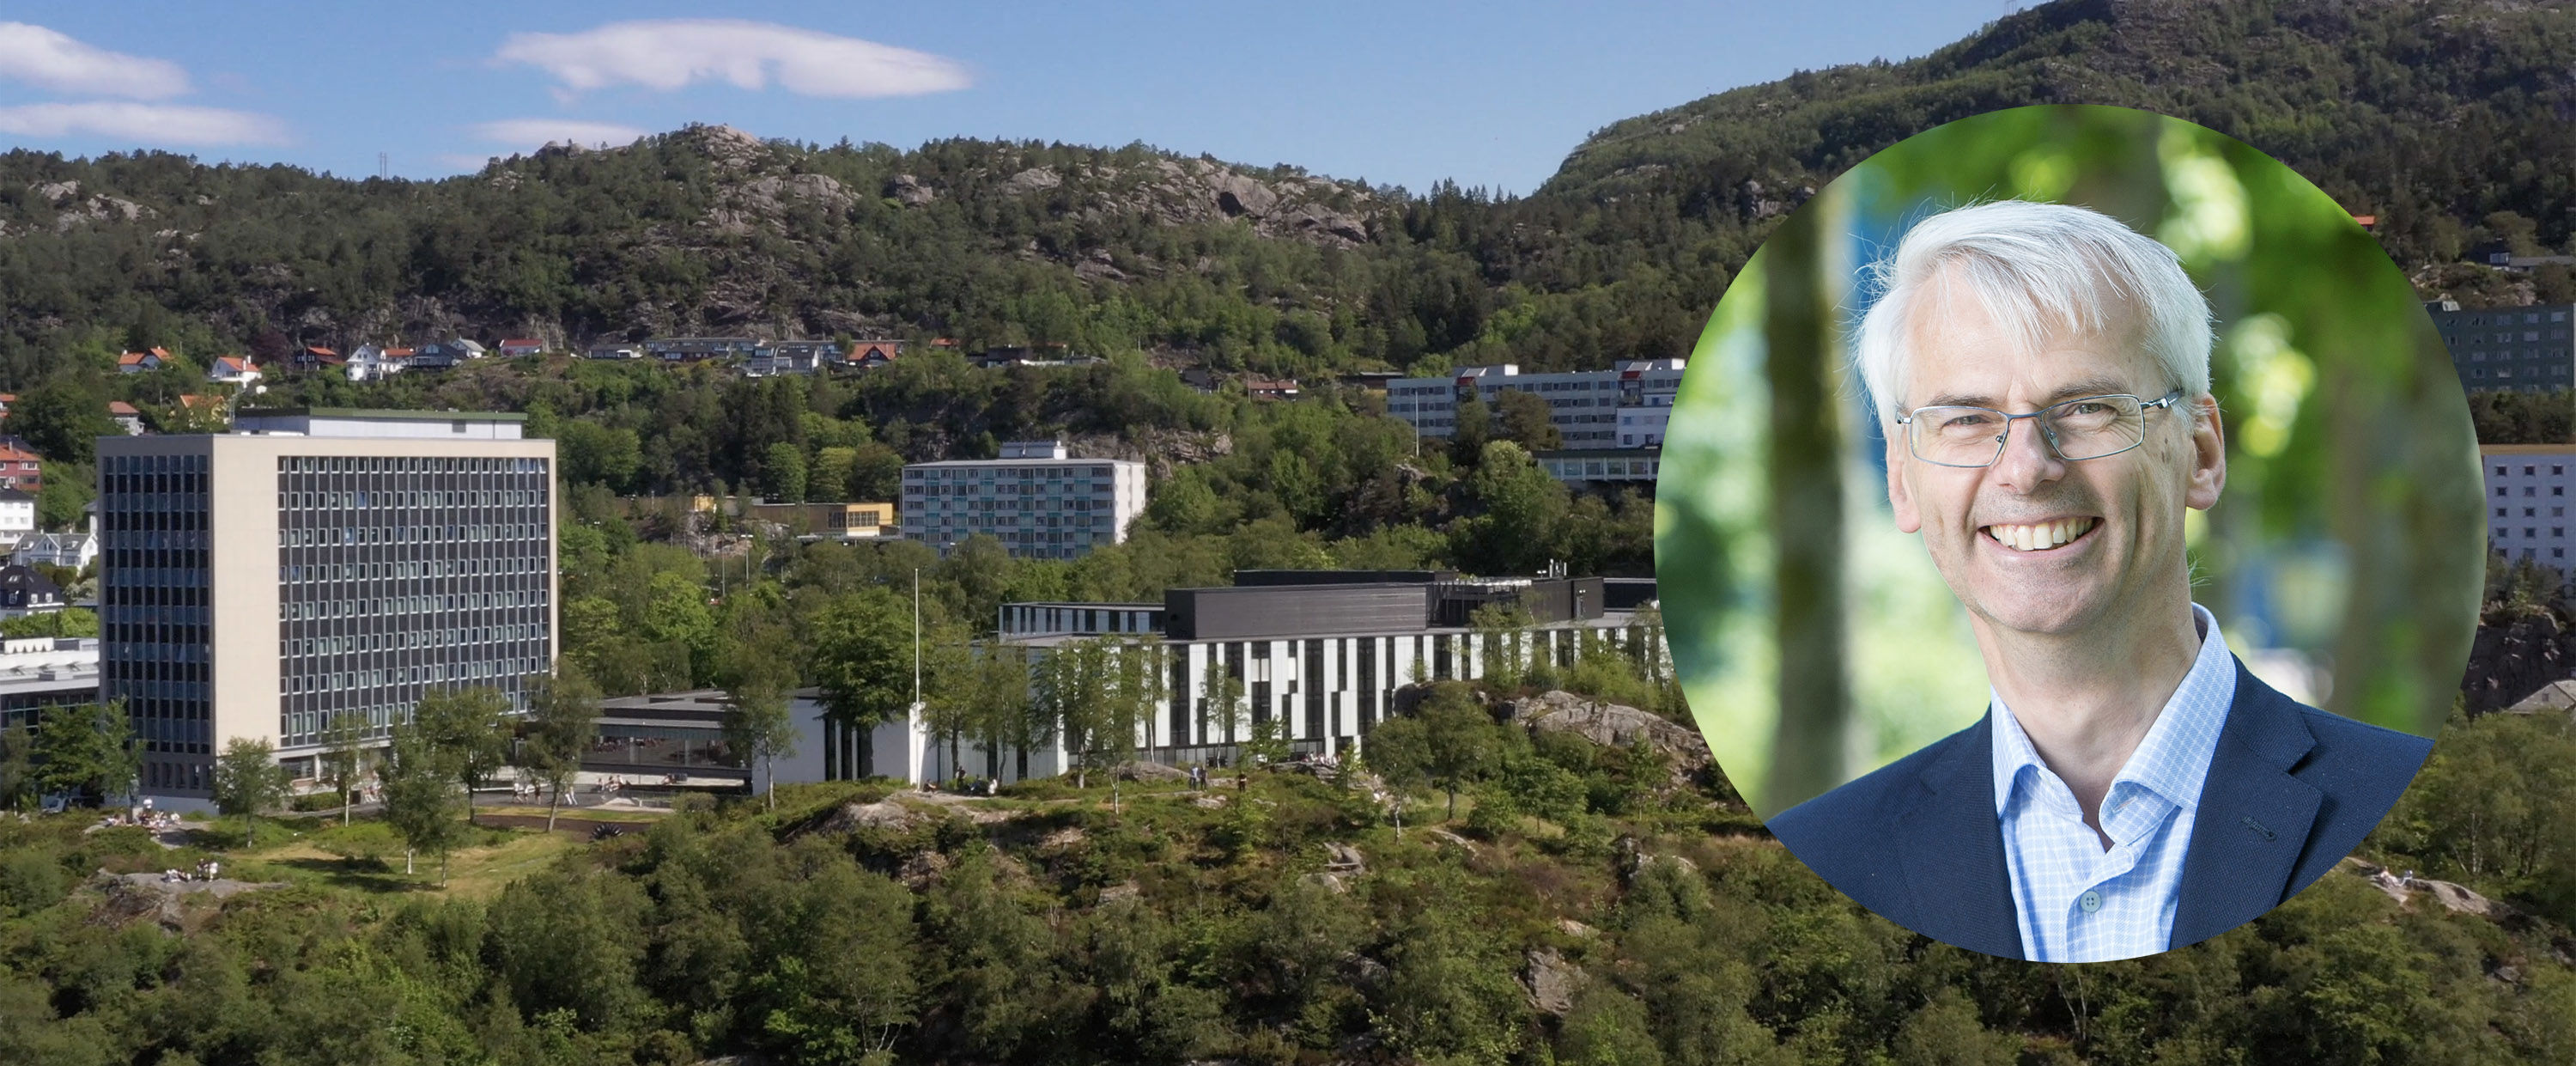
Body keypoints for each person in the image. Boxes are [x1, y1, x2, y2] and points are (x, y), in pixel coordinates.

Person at [1765, 200, 2433, 963]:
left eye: (2085, 408)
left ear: (2203, 453)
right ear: (1903, 481)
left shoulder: (2394, 798)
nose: (2025, 467)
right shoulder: (1828, 849)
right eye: (1966, 419)